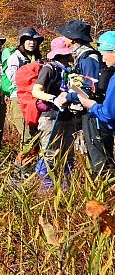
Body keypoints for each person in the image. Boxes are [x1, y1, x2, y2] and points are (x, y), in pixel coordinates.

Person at [32, 36, 81, 189]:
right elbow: (36, 91)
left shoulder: (70, 70)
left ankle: (66, 186)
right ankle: (45, 187)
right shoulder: (49, 68)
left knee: (68, 152)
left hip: (68, 116)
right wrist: (53, 98)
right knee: (50, 152)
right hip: (51, 116)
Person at [68, 23, 114, 177]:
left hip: (97, 117)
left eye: (104, 53)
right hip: (99, 116)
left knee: (101, 163)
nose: (102, 57)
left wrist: (72, 96)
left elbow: (106, 110)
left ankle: (104, 194)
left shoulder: (88, 59)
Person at [5, 28, 45, 164]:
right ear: (22, 41)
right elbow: (12, 77)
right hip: (19, 99)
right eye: (29, 40)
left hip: (34, 100)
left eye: (35, 40)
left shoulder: (37, 57)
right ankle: (22, 167)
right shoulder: (15, 57)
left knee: (35, 135)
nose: (32, 43)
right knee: (27, 136)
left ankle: (30, 165)